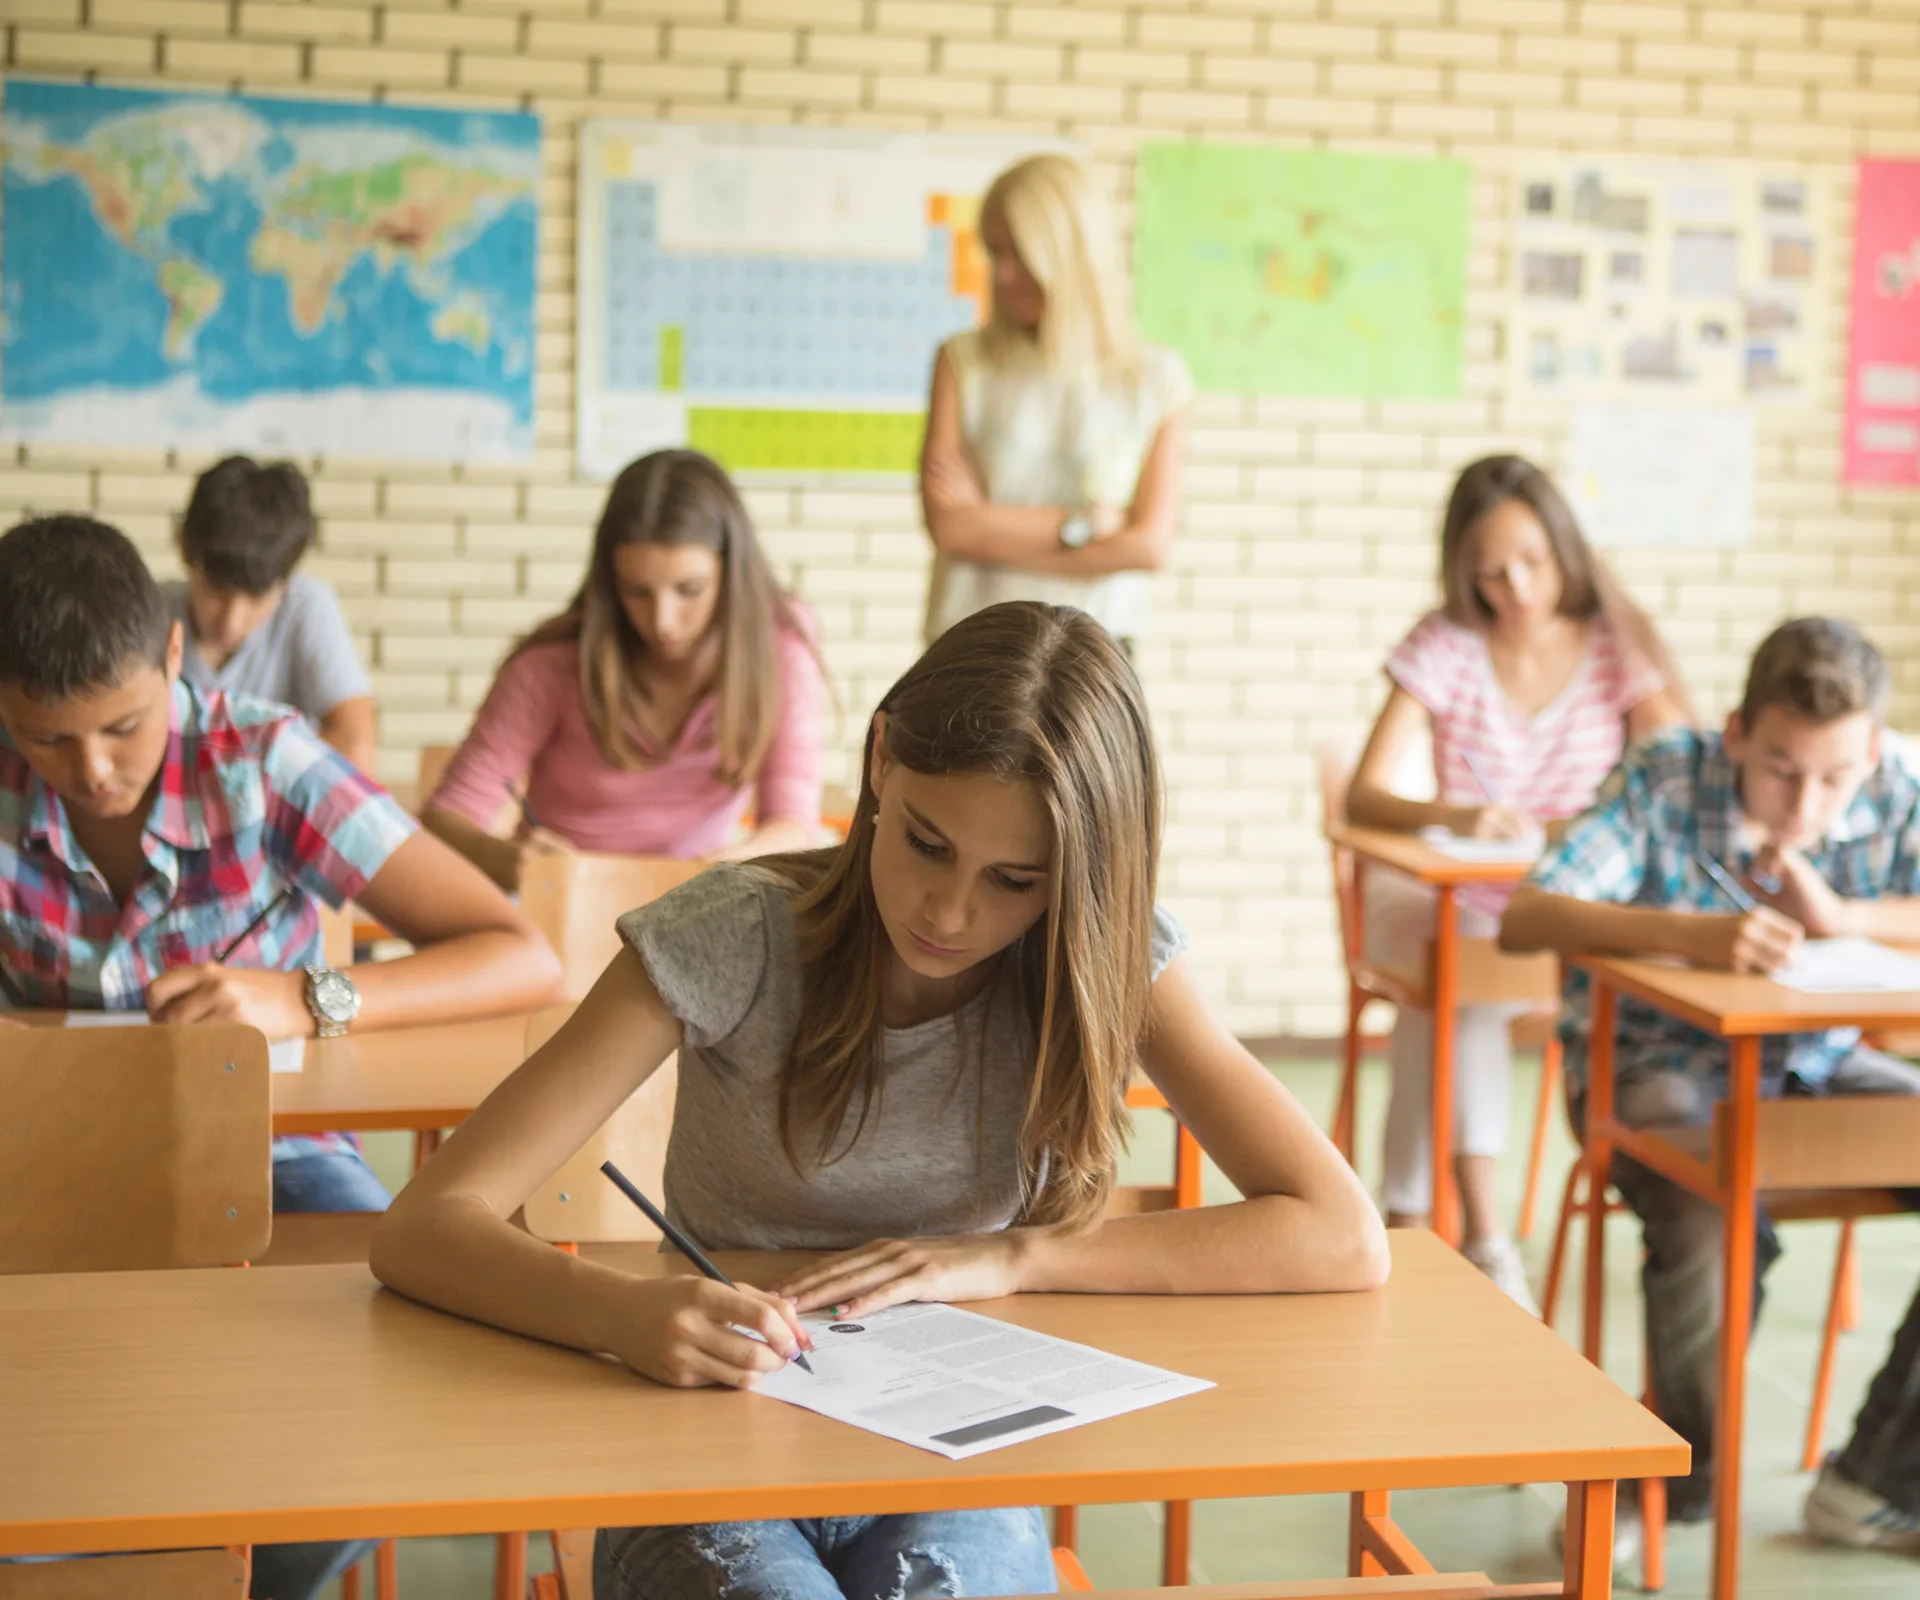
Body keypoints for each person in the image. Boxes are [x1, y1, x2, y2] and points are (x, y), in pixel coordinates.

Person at [372, 601, 1388, 1600]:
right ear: (879, 760)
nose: (950, 912)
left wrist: (1016, 1255)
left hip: (956, 1462)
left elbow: (1341, 1233)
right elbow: (424, 1224)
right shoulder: (732, 937)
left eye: (1015, 879)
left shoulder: (1106, 961)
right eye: (927, 843)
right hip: (709, 1447)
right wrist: (626, 1312)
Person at [0, 515, 565, 1600]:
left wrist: (306, 997)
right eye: (44, 741)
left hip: (281, 1158)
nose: (94, 771)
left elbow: (519, 952)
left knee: (384, 1403)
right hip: (50, 1174)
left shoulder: (265, 759)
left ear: (174, 655)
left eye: (123, 725)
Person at [1501, 617, 1920, 1557]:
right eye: (1780, 768)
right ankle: (1671, 1484)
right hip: (1652, 1064)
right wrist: (1691, 935)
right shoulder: (1665, 776)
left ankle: (1876, 1480)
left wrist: (1845, 914)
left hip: (1811, 1064)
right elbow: (1524, 917)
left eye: (1836, 777)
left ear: (1874, 753)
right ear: (1735, 732)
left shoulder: (1896, 785)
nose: (1805, 802)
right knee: (1706, 1207)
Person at [1343, 455, 1688, 1309]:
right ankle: (1486, 1230)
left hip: (1566, 909)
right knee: (1459, 972)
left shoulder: (1615, 643)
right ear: (1463, 571)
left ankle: (1406, 1215)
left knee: (1453, 989)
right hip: (1466, 899)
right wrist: (1461, 818)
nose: (1517, 588)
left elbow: (1679, 771)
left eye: (1533, 561)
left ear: (1565, 548)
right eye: (1490, 572)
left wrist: (1592, 823)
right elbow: (1364, 795)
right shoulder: (1447, 642)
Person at [424, 450, 825, 891]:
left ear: (732, 573)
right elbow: (446, 818)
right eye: (637, 591)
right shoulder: (550, 665)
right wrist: (507, 859)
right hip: (566, 908)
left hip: (697, 904)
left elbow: (793, 824)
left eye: (689, 590)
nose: (663, 621)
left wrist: (729, 866)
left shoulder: (781, 644)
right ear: (609, 580)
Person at [919, 154, 1191, 652]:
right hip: (971, 649)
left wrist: (993, 533)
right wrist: (1086, 527)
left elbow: (1150, 545)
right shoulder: (962, 361)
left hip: (1095, 657)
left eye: (1019, 251)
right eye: (994, 251)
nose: (1001, 273)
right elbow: (951, 527)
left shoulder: (1155, 379)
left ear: (1069, 252)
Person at [162, 455, 377, 772]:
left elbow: (356, 745)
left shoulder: (306, 606)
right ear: (183, 548)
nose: (232, 620)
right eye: (217, 592)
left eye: (257, 597)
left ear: (285, 581)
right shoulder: (151, 612)